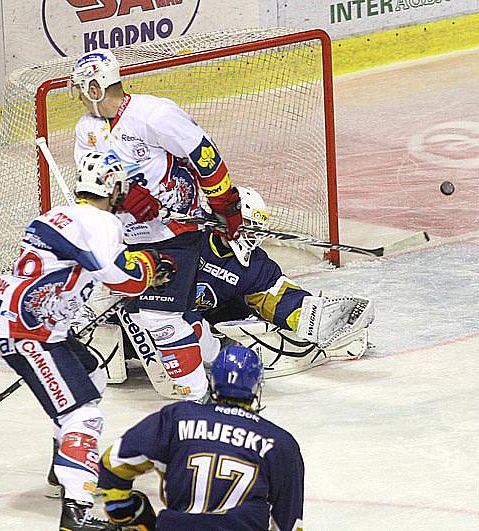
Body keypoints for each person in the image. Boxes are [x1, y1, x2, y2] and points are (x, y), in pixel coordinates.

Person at [0, 151, 176, 530]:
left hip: (28, 322)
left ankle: (63, 468)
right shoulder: (100, 221)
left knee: (92, 373)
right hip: (29, 330)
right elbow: (124, 278)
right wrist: (152, 265)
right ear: (114, 187)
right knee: (83, 413)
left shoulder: (57, 215)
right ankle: (77, 510)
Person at [70, 49, 243, 401]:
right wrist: (127, 195)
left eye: (79, 87)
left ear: (95, 86)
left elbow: (203, 154)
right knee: (169, 314)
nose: (75, 96)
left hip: (176, 230)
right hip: (129, 238)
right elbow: (93, 182)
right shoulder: (86, 129)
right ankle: (227, 361)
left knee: (156, 318)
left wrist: (225, 204)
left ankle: (196, 399)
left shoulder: (154, 114)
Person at [97, 345, 305, 530]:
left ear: (213, 380)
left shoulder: (177, 418)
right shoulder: (279, 442)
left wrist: (121, 510)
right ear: (256, 387)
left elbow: (113, 462)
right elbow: (289, 521)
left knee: (137, 507)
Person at [187, 185, 375, 372]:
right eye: (250, 227)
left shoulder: (255, 265)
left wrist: (314, 317)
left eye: (258, 229)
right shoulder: (192, 233)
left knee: (261, 340)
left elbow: (277, 293)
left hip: (208, 319)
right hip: (170, 308)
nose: (254, 236)